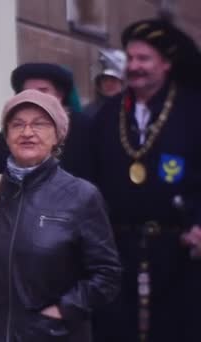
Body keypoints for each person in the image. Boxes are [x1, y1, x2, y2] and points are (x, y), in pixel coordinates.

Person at [0, 89, 121, 342]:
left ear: (58, 135)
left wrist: (60, 311)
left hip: (54, 334)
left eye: (39, 124)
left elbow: (107, 274)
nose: (27, 132)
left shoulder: (81, 195)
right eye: (17, 125)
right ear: (6, 136)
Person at [88, 18, 201, 342]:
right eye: (131, 58)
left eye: (144, 59)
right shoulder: (106, 116)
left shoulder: (194, 111)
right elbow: (90, 180)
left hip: (179, 253)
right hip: (117, 251)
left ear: (166, 63)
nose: (134, 66)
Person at [0, 63, 92, 179]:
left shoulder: (85, 128)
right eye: (28, 92)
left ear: (59, 95)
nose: (35, 97)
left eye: (42, 91)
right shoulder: (8, 136)